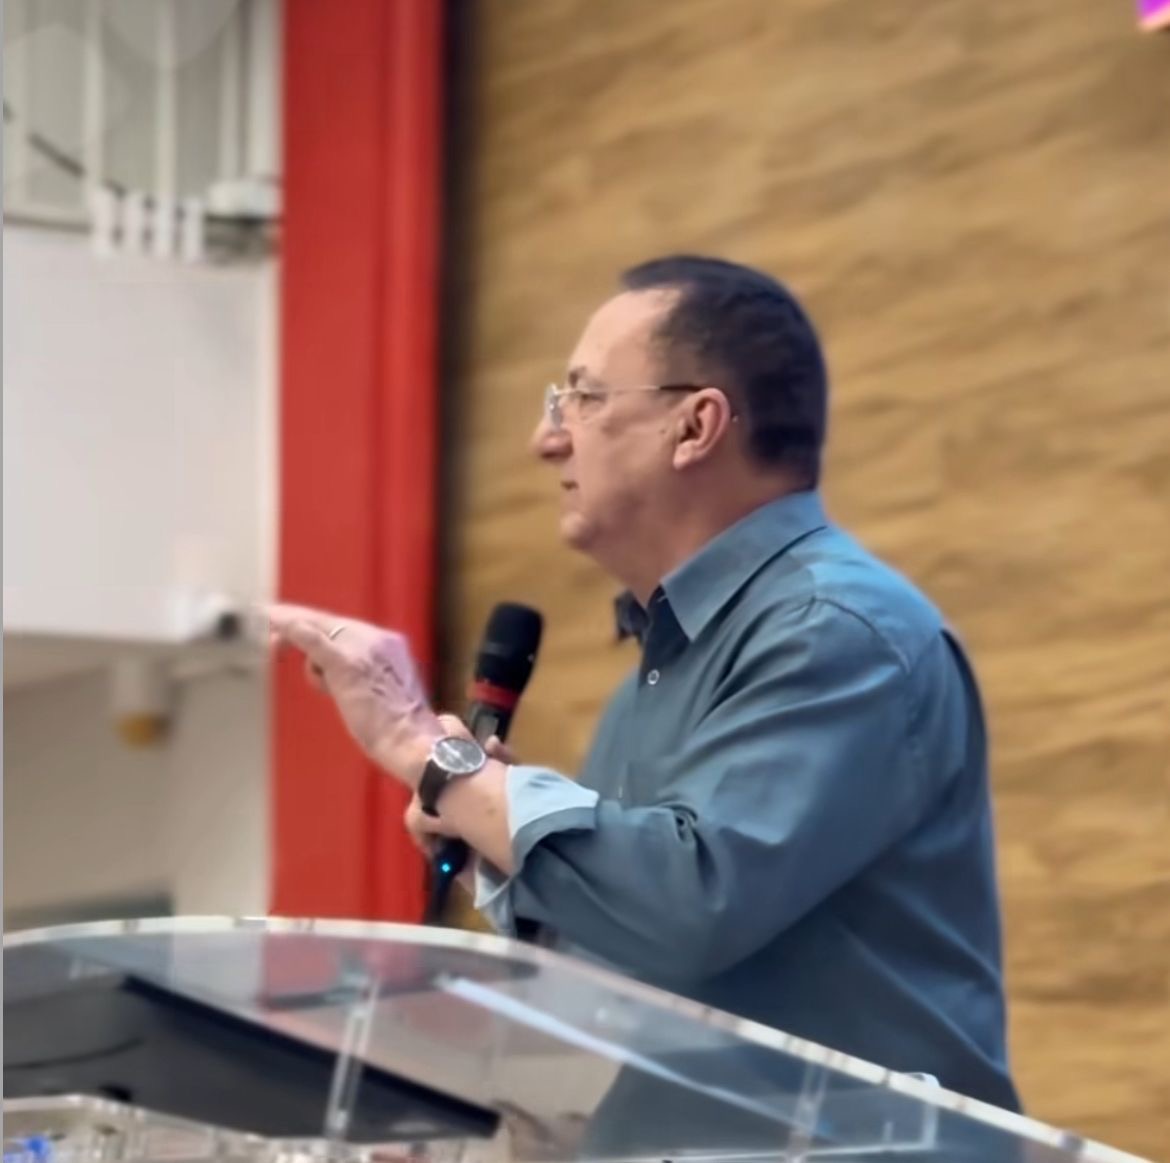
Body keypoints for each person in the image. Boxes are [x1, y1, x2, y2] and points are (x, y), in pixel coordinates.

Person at [268, 254, 1020, 1114]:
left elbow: (693, 904)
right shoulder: (648, 686)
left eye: (582, 398)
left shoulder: (839, 631)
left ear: (695, 426)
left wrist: (424, 749)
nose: (546, 438)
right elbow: (637, 972)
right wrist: (491, 843)